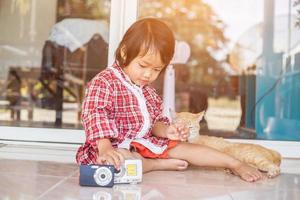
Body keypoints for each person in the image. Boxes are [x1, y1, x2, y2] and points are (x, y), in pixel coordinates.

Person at [76, 18, 262, 182]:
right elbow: (95, 114)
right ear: (125, 53)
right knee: (120, 163)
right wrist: (105, 148)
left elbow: (154, 125)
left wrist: (167, 131)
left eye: (157, 69)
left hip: (144, 144)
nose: (148, 74)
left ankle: (235, 164)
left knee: (185, 148)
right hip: (114, 148)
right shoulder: (104, 82)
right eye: (143, 65)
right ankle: (155, 165)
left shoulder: (148, 93)